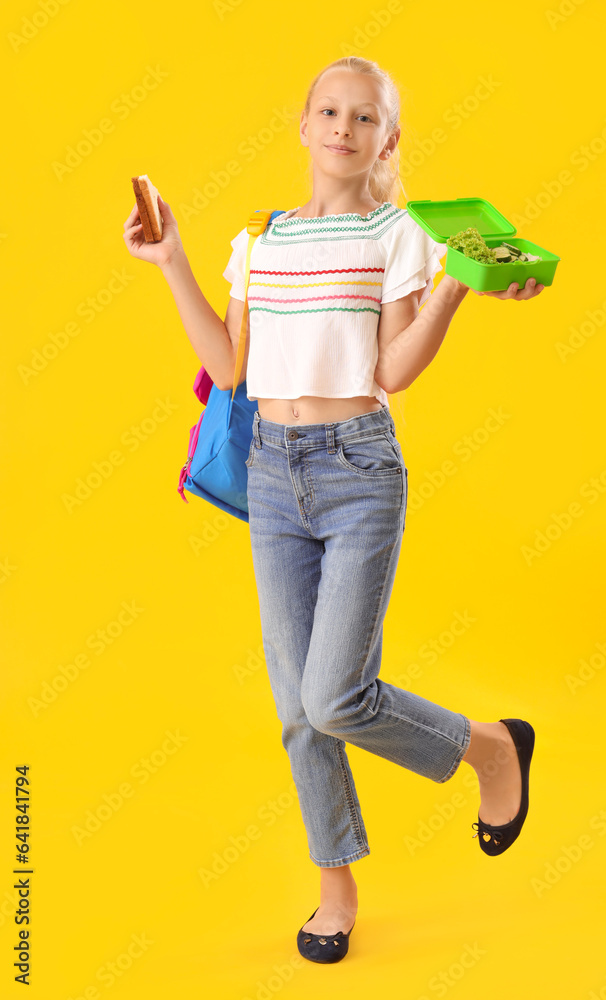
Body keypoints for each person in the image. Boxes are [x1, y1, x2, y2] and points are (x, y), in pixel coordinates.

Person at [123, 56, 540, 964]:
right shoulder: (260, 239)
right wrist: (171, 261)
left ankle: (489, 749)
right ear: (304, 125)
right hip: (273, 475)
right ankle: (335, 888)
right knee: (298, 709)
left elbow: (391, 372)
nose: (344, 128)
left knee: (335, 694)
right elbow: (230, 371)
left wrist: (458, 284)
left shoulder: (398, 235)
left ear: (386, 140)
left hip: (358, 471)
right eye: (329, 111)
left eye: (365, 117)